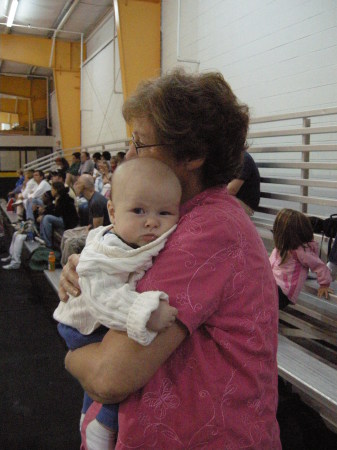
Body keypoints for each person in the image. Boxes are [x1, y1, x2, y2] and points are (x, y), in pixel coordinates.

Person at [59, 69, 281, 449]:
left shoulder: (209, 230)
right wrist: (90, 272)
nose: (128, 156)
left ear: (192, 155)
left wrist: (71, 355)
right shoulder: (175, 219)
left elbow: (109, 377)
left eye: (140, 144)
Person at [54, 157, 181, 449]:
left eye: (164, 212)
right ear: (112, 211)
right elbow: (104, 299)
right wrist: (145, 312)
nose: (151, 221)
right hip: (83, 324)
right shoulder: (109, 249)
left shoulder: (140, 235)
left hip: (97, 316)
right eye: (138, 211)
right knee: (116, 368)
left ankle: (95, 417)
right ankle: (99, 422)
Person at [270, 208, 332, 310]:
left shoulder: (301, 252)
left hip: (283, 293)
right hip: (273, 286)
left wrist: (324, 284)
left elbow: (320, 266)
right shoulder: (280, 248)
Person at [60, 174, 110, 266]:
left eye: (77, 183)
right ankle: (64, 265)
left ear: (83, 186)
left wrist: (88, 230)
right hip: (92, 229)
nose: (75, 185)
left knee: (70, 243)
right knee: (67, 233)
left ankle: (71, 270)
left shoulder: (96, 202)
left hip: (102, 235)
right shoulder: (92, 198)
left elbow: (98, 230)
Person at [40, 182, 79, 248]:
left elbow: (57, 213)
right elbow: (52, 208)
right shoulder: (56, 198)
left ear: (56, 190)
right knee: (44, 217)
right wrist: (44, 211)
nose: (51, 191)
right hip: (61, 218)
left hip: (67, 221)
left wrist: (45, 211)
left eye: (52, 189)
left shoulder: (65, 199)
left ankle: (48, 244)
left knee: (47, 218)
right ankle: (42, 237)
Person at [227, 150, 260, 215]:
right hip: (233, 201)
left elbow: (231, 190)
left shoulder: (243, 158)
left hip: (244, 205)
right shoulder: (232, 158)